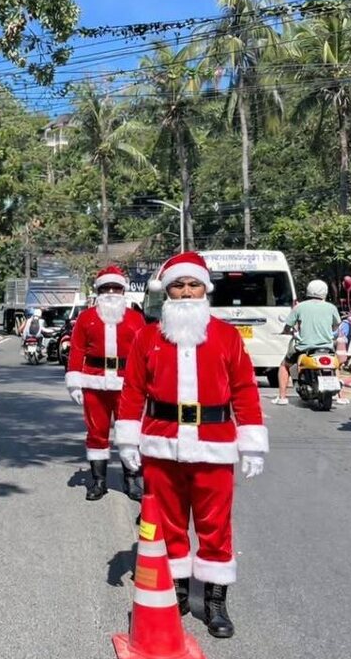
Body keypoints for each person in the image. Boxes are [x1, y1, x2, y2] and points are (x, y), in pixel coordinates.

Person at [115, 251, 268, 639]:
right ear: (167, 292)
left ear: (205, 289)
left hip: (213, 444)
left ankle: (215, 602)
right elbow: (132, 390)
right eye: (178, 286)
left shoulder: (226, 336)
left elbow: (245, 390)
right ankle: (178, 592)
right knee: (167, 524)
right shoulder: (146, 337)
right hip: (161, 444)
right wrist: (128, 439)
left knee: (215, 525)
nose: (185, 292)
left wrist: (251, 442)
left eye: (192, 285)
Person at [66, 266, 147, 501]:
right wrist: (74, 382)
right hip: (93, 384)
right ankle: (98, 481)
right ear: (98, 291)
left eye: (116, 287)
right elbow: (77, 350)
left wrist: (148, 385)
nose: (111, 292)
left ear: (123, 290)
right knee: (96, 432)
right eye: (106, 288)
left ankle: (132, 480)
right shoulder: (86, 318)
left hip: (127, 386)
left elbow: (145, 354)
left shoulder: (135, 319)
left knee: (129, 432)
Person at [273, 279, 341, 405]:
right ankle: (340, 396)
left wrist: (286, 331)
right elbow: (336, 326)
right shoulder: (331, 307)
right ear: (325, 292)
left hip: (304, 347)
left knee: (284, 365)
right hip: (327, 347)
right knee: (335, 365)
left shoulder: (300, 307)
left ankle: (282, 397)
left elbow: (288, 326)